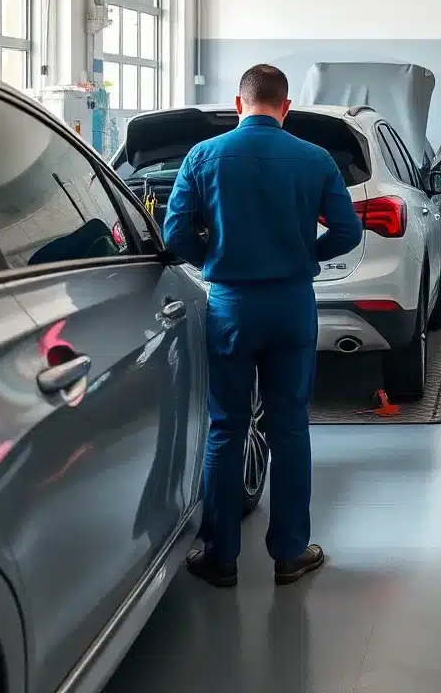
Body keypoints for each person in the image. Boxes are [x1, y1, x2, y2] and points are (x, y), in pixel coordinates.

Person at [163, 64, 363, 588]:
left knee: (227, 427)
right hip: (292, 304)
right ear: (285, 107)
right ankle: (291, 554)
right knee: (290, 426)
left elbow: (174, 234)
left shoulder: (203, 157)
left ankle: (220, 557)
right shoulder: (314, 159)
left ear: (238, 104)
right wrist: (304, 255)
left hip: (231, 305)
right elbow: (347, 231)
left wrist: (215, 259)